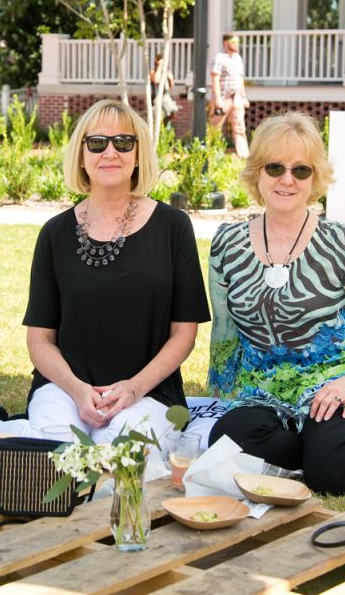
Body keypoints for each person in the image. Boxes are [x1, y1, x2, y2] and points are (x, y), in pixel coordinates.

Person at [206, 112, 345, 497]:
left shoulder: (341, 243)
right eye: (275, 167)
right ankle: (330, 453)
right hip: (265, 395)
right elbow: (225, 336)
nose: (287, 180)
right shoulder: (226, 245)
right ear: (257, 173)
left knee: (332, 471)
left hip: (338, 387)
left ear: (316, 179)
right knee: (226, 442)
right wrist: (225, 402)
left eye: (301, 170)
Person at [24, 99, 210, 448]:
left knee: (121, 457)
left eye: (124, 142)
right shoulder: (54, 233)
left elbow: (184, 334)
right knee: (56, 455)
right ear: (81, 155)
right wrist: (78, 391)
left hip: (150, 393)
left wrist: (134, 387)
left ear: (139, 155)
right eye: (97, 143)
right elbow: (39, 341)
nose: (110, 152)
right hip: (64, 389)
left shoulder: (173, 227)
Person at [208, 33, 249, 157]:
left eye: (237, 41)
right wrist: (218, 99)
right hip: (223, 98)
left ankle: (243, 156)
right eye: (233, 41)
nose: (236, 44)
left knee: (240, 128)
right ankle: (210, 153)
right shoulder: (219, 58)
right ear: (225, 43)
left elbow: (240, 79)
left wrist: (244, 97)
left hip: (237, 98)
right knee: (215, 127)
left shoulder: (238, 59)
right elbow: (215, 79)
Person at [149, 53, 179, 123]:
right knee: (158, 119)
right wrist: (159, 66)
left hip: (166, 99)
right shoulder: (153, 71)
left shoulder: (167, 71)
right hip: (157, 99)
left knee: (172, 114)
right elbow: (156, 80)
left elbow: (171, 87)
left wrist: (171, 78)